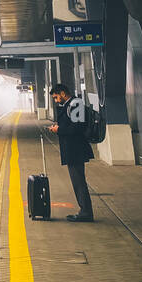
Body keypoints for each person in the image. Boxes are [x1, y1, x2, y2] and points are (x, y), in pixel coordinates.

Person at [48, 82, 94, 222]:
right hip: (72, 149)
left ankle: (86, 212)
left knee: (79, 181)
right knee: (77, 181)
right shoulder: (69, 105)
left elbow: (77, 128)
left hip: (76, 150)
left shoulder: (76, 104)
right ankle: (84, 210)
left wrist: (59, 130)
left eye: (56, 97)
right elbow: (72, 125)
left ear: (63, 93)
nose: (56, 101)